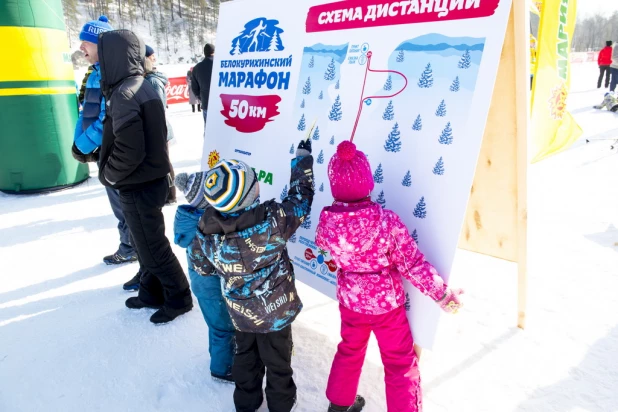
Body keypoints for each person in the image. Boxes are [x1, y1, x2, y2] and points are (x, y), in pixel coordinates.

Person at [315, 141, 464, 412]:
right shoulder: (387, 223)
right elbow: (412, 264)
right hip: (387, 307)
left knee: (349, 351)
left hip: (351, 304)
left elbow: (326, 249)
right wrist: (442, 294)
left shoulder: (327, 223)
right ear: (368, 182)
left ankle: (338, 406)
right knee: (399, 363)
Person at [188, 138, 314, 412]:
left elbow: (201, 265)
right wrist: (303, 159)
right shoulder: (273, 222)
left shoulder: (206, 228)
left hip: (240, 313)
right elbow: (301, 200)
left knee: (245, 355)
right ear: (250, 194)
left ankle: (246, 402)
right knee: (278, 360)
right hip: (276, 313)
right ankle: (281, 403)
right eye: (254, 180)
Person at [97, 29, 193, 324]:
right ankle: (151, 291)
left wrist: (109, 175)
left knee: (151, 248)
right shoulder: (139, 85)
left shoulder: (126, 93)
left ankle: (179, 297)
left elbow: (131, 149)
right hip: (147, 179)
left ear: (112, 57)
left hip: (137, 183)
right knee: (145, 244)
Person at [71, 16, 138, 266]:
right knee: (119, 204)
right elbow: (85, 112)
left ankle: (131, 246)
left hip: (112, 150)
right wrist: (79, 143)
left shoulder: (111, 74)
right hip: (101, 149)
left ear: (100, 44)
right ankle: (129, 244)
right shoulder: (95, 73)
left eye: (85, 43)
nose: (81, 48)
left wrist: (84, 145)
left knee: (124, 206)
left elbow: (105, 118)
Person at [173, 172, 236, 383]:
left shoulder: (189, 220)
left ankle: (219, 357)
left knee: (216, 325)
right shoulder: (205, 226)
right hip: (211, 287)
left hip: (202, 284)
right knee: (223, 327)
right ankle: (223, 369)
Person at [143, 44, 177, 206]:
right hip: (154, 129)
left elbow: (158, 109)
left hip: (159, 129)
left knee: (164, 162)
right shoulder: (146, 79)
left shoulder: (153, 81)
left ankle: (170, 194)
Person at [190, 44, 214, 132]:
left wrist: (201, 97)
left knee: (208, 131)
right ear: (214, 52)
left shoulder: (197, 67)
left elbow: (194, 88)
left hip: (206, 103)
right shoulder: (221, 65)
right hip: (223, 104)